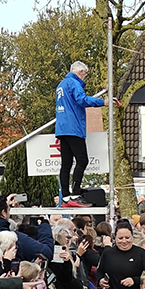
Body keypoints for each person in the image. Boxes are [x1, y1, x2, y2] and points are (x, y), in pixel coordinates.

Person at [55, 61, 106, 205]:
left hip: (62, 128)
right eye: (85, 74)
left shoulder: (61, 85)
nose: (85, 77)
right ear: (80, 72)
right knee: (82, 160)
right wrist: (103, 102)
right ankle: (76, 193)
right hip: (74, 127)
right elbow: (82, 99)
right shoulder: (74, 83)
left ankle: (65, 195)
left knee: (66, 163)